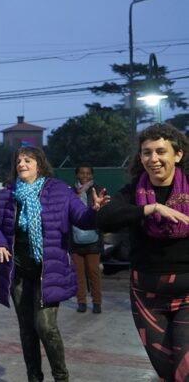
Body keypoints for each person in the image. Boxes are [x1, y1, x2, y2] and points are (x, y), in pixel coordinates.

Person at [0, 146, 107, 382]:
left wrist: (94, 210)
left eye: (28, 160)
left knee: (45, 326)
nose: (21, 164)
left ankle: (61, 377)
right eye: (19, 161)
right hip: (18, 272)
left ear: (39, 165)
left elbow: (82, 219)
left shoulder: (60, 191)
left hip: (48, 271)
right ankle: (34, 377)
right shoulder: (6, 195)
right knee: (27, 329)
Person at [97, 123, 189, 381]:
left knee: (185, 372)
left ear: (178, 154)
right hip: (146, 297)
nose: (154, 159)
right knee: (166, 371)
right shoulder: (132, 193)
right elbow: (104, 218)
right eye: (147, 152)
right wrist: (150, 209)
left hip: (188, 294)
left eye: (161, 151)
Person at [70, 163, 104, 313]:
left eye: (88, 173)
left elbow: (103, 212)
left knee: (94, 272)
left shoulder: (97, 190)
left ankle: (97, 303)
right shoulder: (71, 191)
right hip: (75, 238)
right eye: (82, 173)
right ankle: (81, 302)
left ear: (92, 175)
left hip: (94, 237)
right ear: (77, 174)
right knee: (78, 274)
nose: (85, 176)